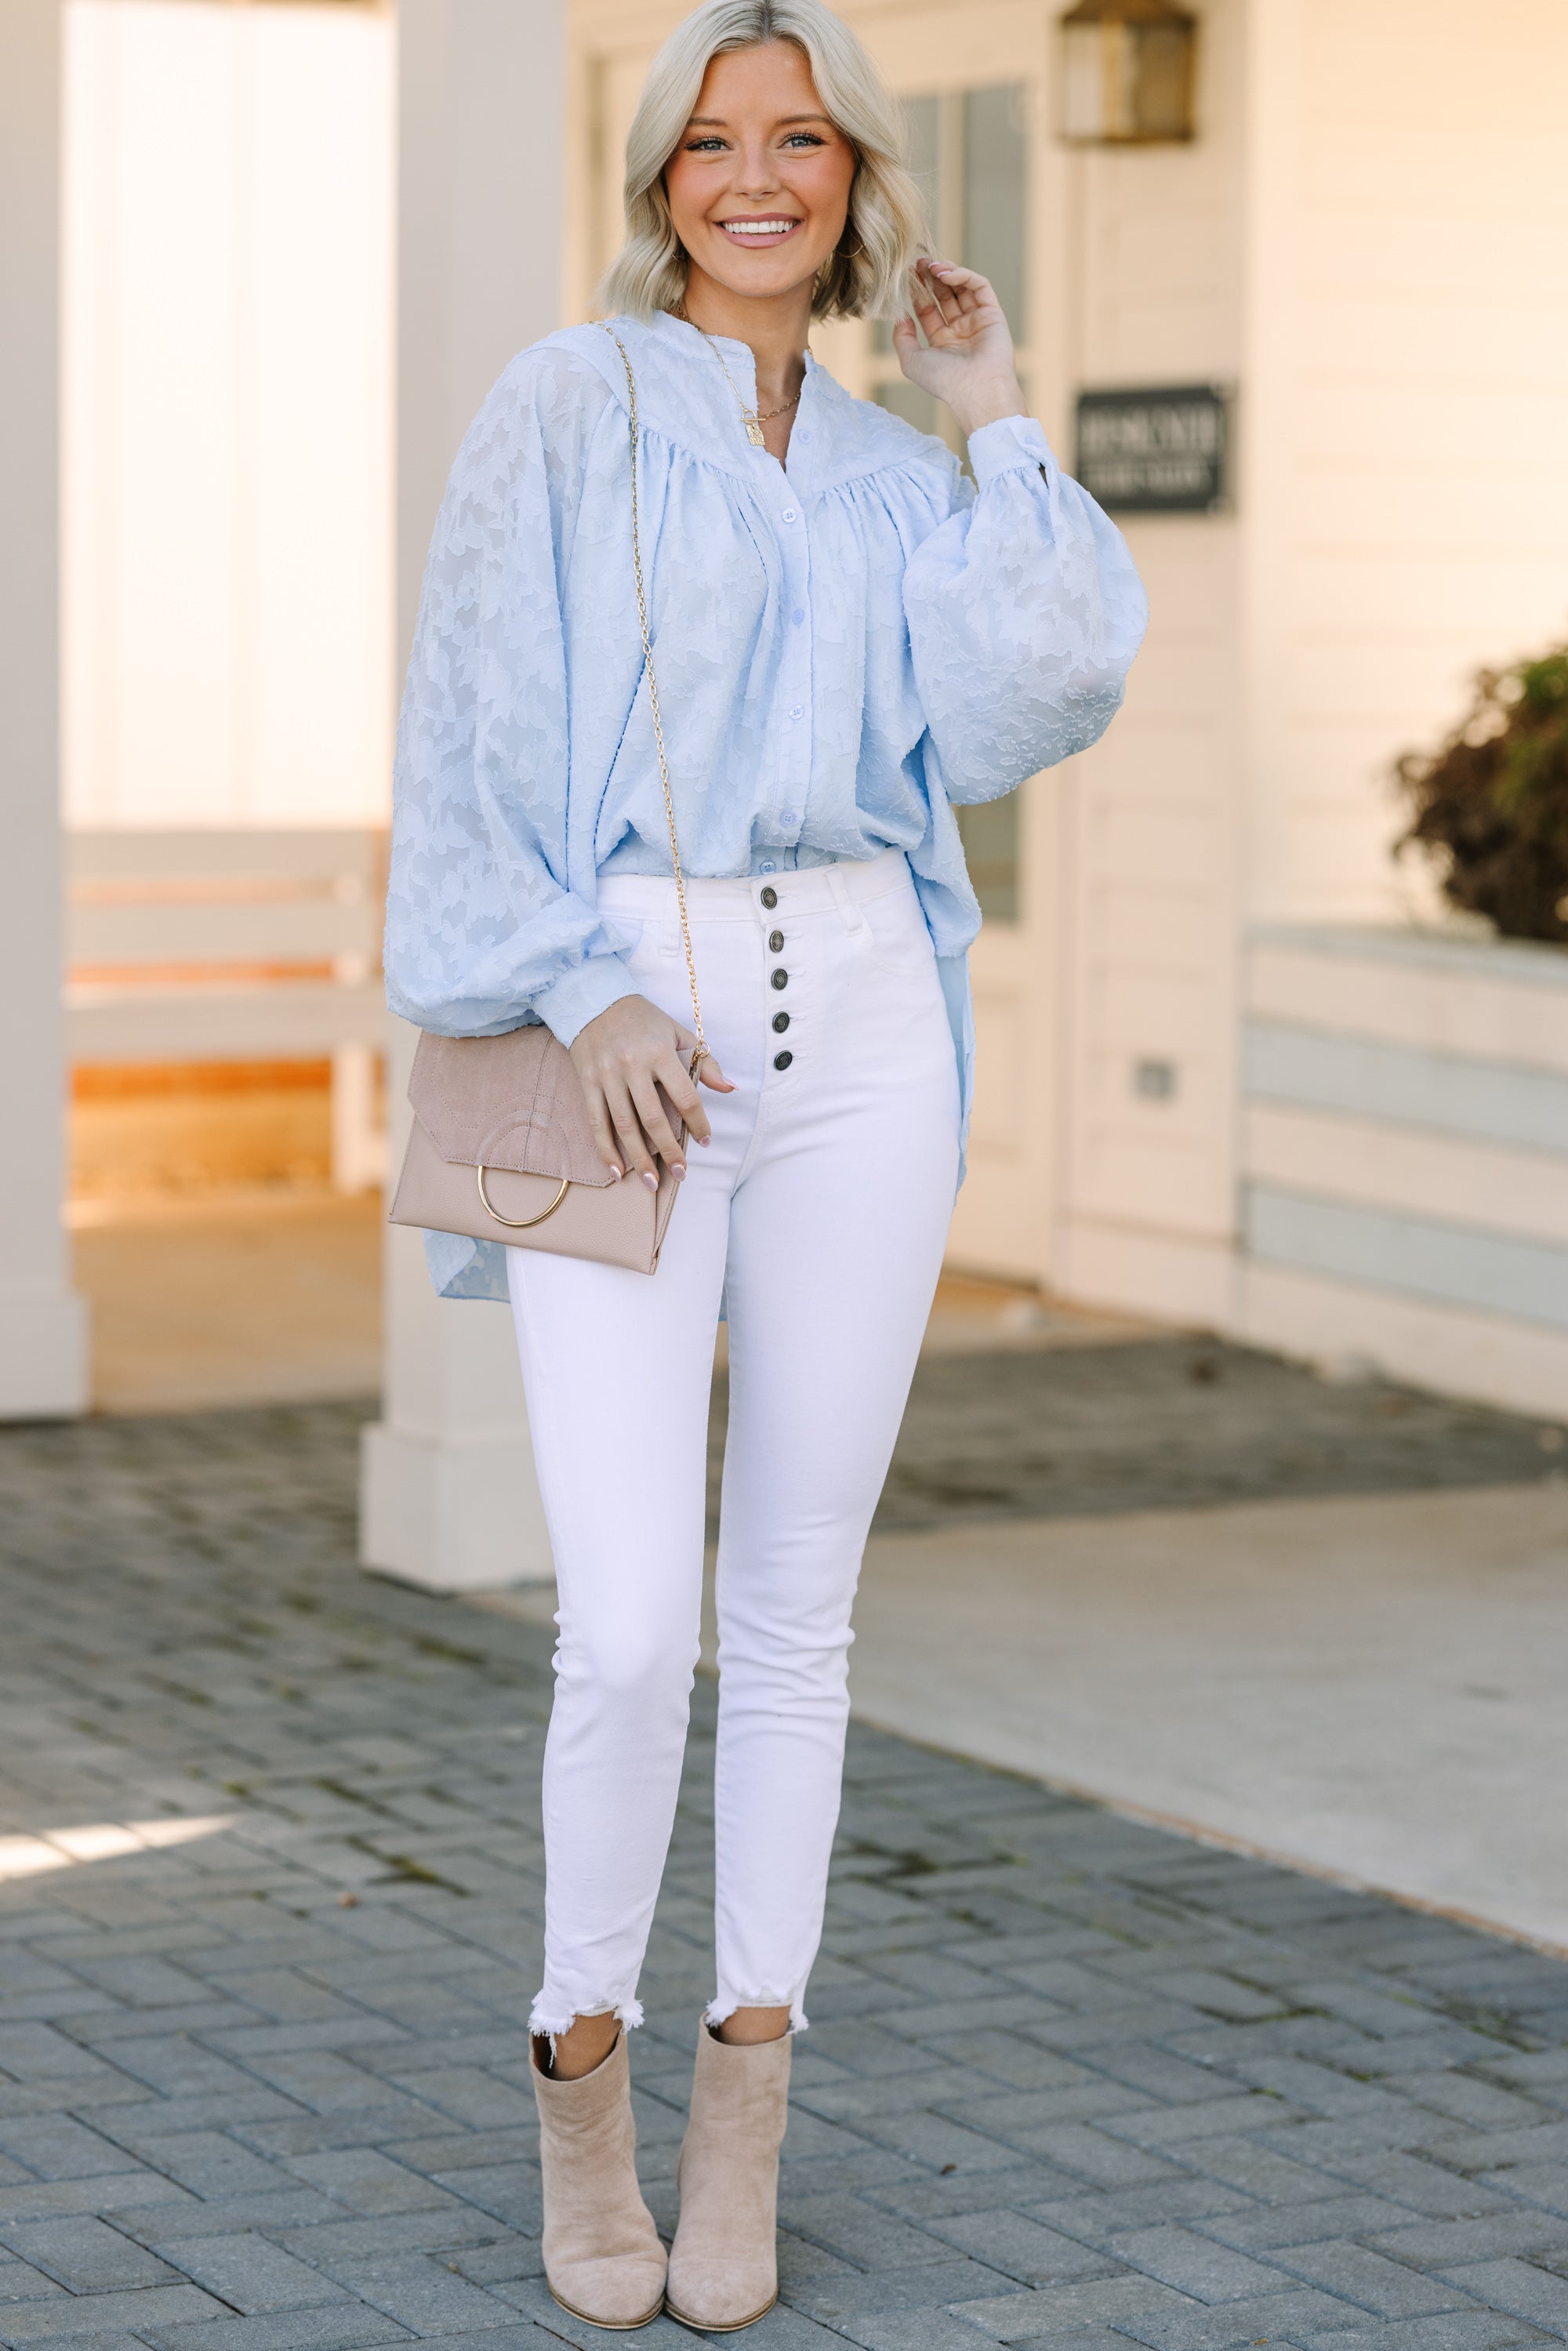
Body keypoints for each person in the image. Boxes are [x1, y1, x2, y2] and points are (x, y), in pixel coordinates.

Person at [386, 0, 1146, 2327]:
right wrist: (569, 985)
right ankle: (580, 2084)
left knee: (795, 1617)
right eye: (711, 140)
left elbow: (1039, 699)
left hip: (870, 1042)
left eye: (798, 139)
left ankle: (747, 2110)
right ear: (654, 179)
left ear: (854, 177)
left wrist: (995, 406)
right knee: (627, 1624)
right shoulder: (566, 408)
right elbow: (467, 734)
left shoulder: (912, 469)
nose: (754, 177)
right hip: (626, 1031)